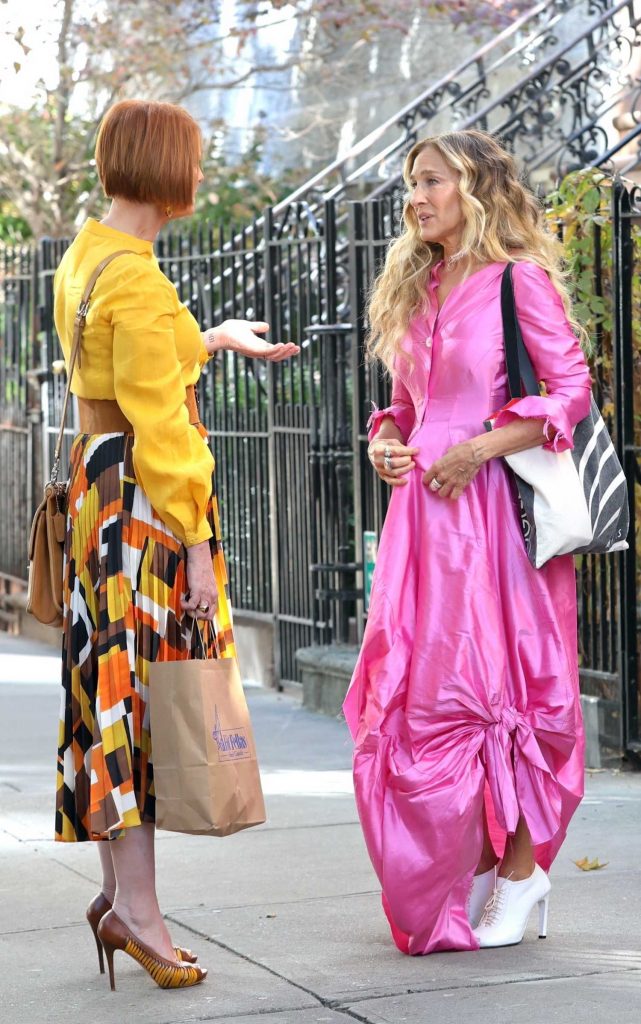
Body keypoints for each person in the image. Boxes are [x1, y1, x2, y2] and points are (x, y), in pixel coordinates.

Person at [53, 99, 299, 990]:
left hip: (95, 486)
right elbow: (165, 430)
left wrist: (208, 338)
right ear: (170, 170)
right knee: (146, 703)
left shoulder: (88, 255)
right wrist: (197, 544)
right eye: (193, 159)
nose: (199, 176)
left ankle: (125, 899)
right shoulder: (143, 281)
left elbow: (124, 369)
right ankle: (140, 914)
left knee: (111, 694)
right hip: (146, 510)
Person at [343, 129, 592, 955]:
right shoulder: (419, 286)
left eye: (431, 181)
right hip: (423, 519)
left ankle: (519, 873)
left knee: (496, 694)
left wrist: (479, 447)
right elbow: (408, 408)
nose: (415, 197)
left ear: (475, 188)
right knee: (425, 698)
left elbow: (569, 392)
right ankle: (489, 871)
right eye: (411, 182)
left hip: (488, 517)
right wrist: (386, 441)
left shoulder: (515, 280)